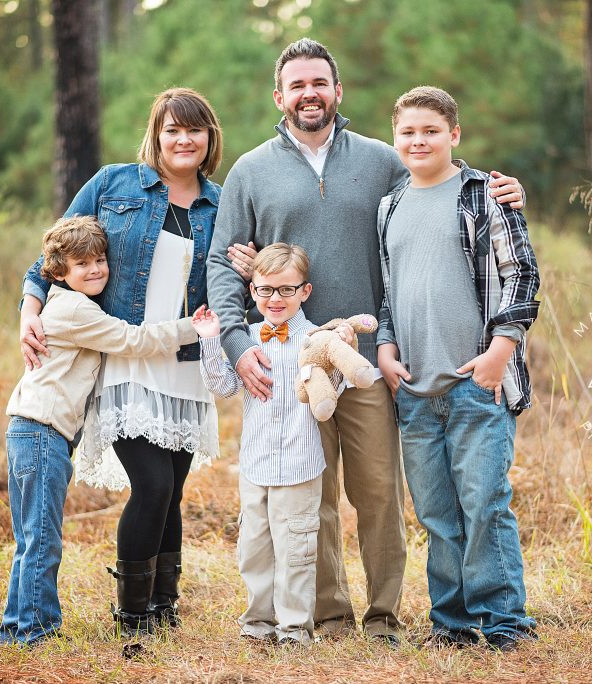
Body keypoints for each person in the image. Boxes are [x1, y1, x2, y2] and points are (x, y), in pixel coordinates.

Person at [206, 38, 527, 645]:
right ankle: (329, 615)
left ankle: (384, 616)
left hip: (370, 361)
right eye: (297, 85)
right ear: (280, 96)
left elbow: (442, 177)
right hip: (291, 363)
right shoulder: (250, 171)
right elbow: (225, 264)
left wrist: (507, 195)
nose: (309, 94)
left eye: (319, 83)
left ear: (338, 91)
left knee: (380, 492)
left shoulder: (381, 160)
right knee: (313, 495)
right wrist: (235, 341)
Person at [18, 88, 250, 643]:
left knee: (172, 485)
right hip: (127, 356)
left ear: (209, 138)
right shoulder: (113, 184)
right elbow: (51, 255)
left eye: (194, 130)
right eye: (173, 129)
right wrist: (29, 309)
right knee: (149, 485)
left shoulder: (222, 204)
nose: (183, 140)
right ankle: (131, 613)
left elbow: (244, 276)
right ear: (158, 133)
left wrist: (248, 263)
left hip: (186, 360)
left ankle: (164, 604)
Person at [376, 86, 540, 651]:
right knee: (436, 513)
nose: (418, 141)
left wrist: (501, 351)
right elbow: (390, 291)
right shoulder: (391, 205)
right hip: (416, 390)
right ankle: (451, 623)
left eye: (431, 131)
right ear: (395, 137)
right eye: (408, 132)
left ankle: (503, 622)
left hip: (478, 382)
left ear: (454, 135)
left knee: (485, 503)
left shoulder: (485, 196)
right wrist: (386, 347)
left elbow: (521, 275)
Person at [0, 216, 197, 647]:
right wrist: (191, 327)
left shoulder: (68, 304)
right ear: (57, 272)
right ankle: (35, 631)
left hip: (34, 432)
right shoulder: (75, 311)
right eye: (82, 263)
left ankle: (15, 626)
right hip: (40, 433)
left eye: (101, 260)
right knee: (43, 539)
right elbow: (132, 341)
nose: (95, 270)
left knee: (32, 535)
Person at [194, 243, 351, 646]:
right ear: (252, 291)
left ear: (305, 291)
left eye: (286, 289)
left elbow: (333, 392)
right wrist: (213, 340)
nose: (275, 299)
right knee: (254, 549)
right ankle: (257, 625)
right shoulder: (245, 339)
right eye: (265, 290)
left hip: (300, 465)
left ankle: (295, 628)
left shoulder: (318, 340)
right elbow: (224, 385)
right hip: (256, 465)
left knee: (297, 549)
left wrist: (337, 359)